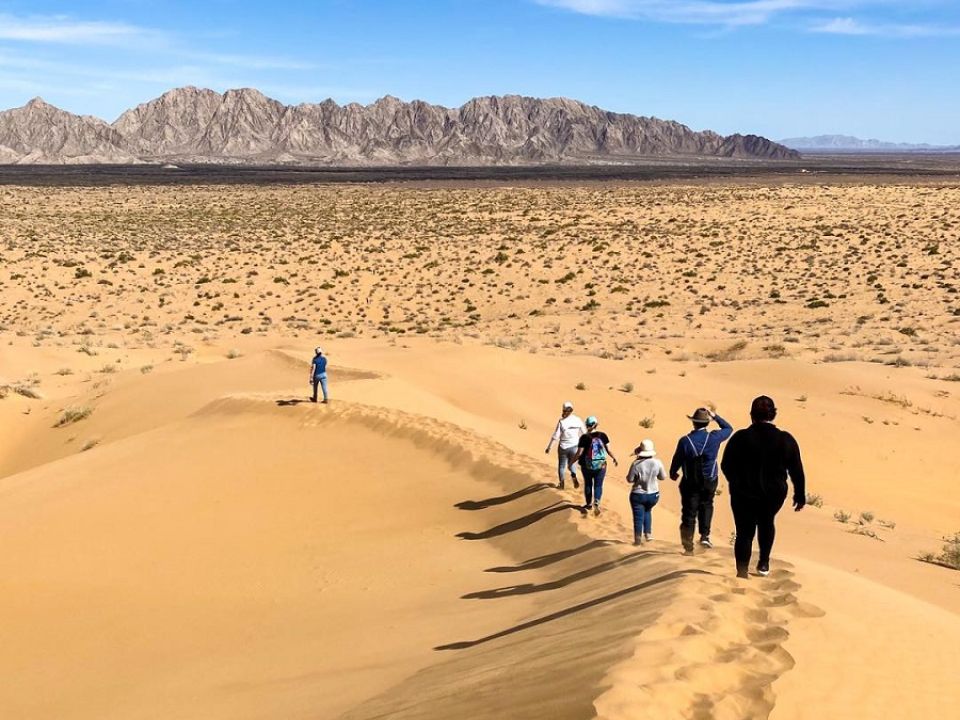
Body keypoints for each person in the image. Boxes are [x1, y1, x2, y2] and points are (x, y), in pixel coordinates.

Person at [720, 396, 805, 579]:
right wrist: (800, 494)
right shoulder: (785, 439)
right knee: (767, 523)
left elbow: (726, 465)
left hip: (743, 493)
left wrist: (736, 482)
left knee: (744, 530)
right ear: (773, 415)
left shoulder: (740, 438)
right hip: (773, 494)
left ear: (751, 415)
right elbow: (796, 469)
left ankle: (742, 571)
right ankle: (764, 562)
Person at [669, 407, 733, 554]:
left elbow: (677, 459)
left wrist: (673, 472)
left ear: (694, 423)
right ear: (707, 423)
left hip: (690, 481)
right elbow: (728, 428)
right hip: (710, 480)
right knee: (707, 505)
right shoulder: (714, 437)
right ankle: (704, 536)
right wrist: (715, 416)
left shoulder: (685, 441)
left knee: (689, 513)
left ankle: (688, 547)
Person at [571, 416, 618, 516]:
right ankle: (596, 501)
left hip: (586, 465)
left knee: (588, 484)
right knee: (598, 485)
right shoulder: (603, 436)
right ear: (596, 424)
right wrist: (614, 458)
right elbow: (608, 450)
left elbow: (579, 453)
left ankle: (588, 504)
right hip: (601, 465)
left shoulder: (584, 438)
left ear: (586, 425)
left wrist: (572, 462)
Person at [626, 439, 666, 545]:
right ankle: (648, 534)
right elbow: (663, 477)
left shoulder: (636, 464)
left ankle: (638, 539)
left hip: (638, 494)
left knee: (638, 516)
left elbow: (630, 479)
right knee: (647, 511)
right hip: (653, 494)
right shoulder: (658, 462)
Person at [544, 401, 587, 489]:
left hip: (563, 446)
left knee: (562, 466)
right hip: (575, 446)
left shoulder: (562, 421)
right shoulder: (577, 419)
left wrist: (549, 447)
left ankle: (562, 484)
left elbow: (556, 436)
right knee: (572, 464)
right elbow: (585, 433)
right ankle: (573, 476)